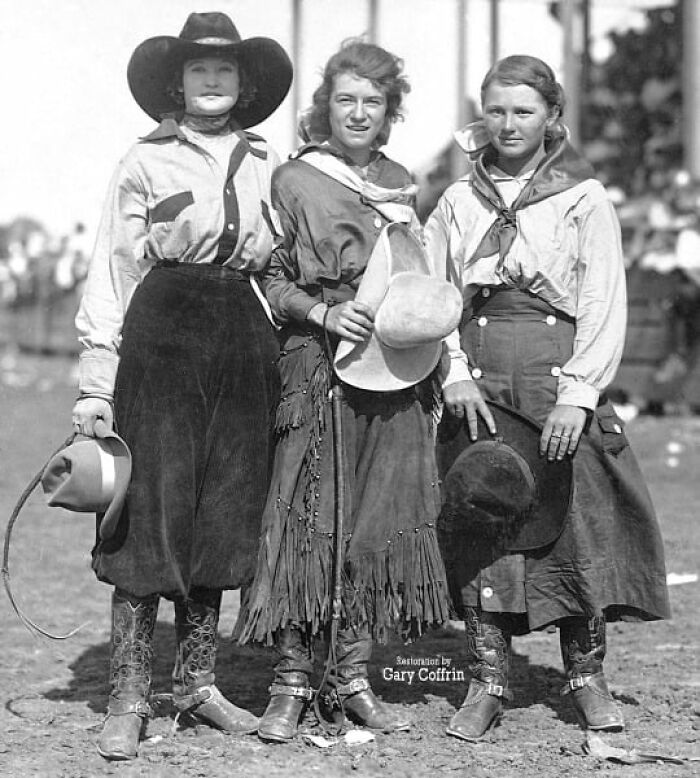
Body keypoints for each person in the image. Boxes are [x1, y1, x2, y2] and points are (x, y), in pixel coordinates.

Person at [424, 55, 670, 742]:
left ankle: (586, 678)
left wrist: (579, 393)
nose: (509, 124)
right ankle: (486, 680)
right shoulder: (457, 200)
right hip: (480, 378)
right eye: (497, 110)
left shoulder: (583, 196)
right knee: (482, 513)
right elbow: (435, 294)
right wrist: (454, 373)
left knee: (573, 523)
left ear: (552, 116)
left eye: (524, 111)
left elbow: (602, 301)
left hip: (555, 377)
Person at [71, 12, 292, 761]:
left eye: (225, 68)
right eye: (199, 68)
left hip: (244, 336)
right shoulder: (143, 161)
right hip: (163, 335)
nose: (212, 80)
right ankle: (130, 695)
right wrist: (96, 385)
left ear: (245, 83)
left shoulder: (269, 161)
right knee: (150, 508)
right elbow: (113, 270)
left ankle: (198, 684)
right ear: (177, 81)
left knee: (224, 507)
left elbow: (284, 265)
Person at [234, 40, 451, 743]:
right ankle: (291, 681)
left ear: (390, 112)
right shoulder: (294, 179)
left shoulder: (401, 182)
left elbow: (416, 275)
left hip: (396, 367)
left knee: (376, 518)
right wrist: (323, 313)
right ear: (325, 105)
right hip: (317, 361)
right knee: (308, 516)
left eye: (373, 101)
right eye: (346, 99)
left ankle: (352, 675)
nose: (358, 112)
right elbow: (269, 278)